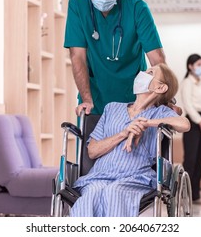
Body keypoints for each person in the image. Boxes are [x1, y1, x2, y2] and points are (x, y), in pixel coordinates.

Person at [70, 64, 190, 217]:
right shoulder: (111, 108)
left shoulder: (160, 113)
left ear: (160, 88)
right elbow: (92, 151)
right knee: (90, 195)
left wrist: (146, 122)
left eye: (150, 72)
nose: (143, 74)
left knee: (114, 192)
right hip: (99, 175)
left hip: (135, 177)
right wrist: (124, 133)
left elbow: (184, 124)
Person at [64, 0, 166, 116]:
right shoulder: (78, 4)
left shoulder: (136, 7)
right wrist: (86, 100)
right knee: (93, 140)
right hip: (95, 98)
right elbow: (77, 56)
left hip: (134, 99)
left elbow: (157, 58)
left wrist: (164, 98)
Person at [180, 54, 201, 205]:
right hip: (193, 123)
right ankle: (184, 195)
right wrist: (200, 123)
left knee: (200, 160)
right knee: (191, 160)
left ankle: (195, 196)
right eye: (198, 64)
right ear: (190, 66)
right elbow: (188, 105)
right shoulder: (187, 83)